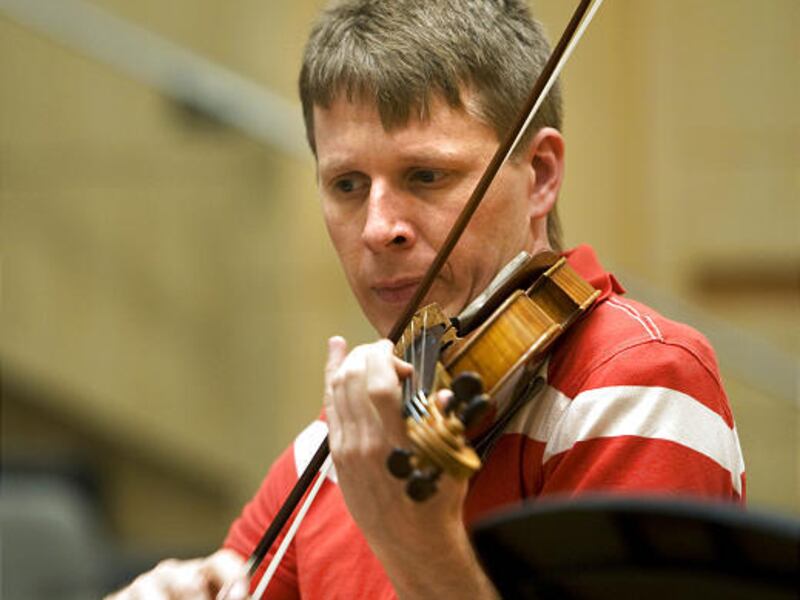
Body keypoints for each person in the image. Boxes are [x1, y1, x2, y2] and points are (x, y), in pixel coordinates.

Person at [109, 1, 745, 598]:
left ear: (540, 175)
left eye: (426, 175)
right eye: (348, 184)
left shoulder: (635, 387)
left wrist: (413, 541)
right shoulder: (348, 440)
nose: (377, 227)